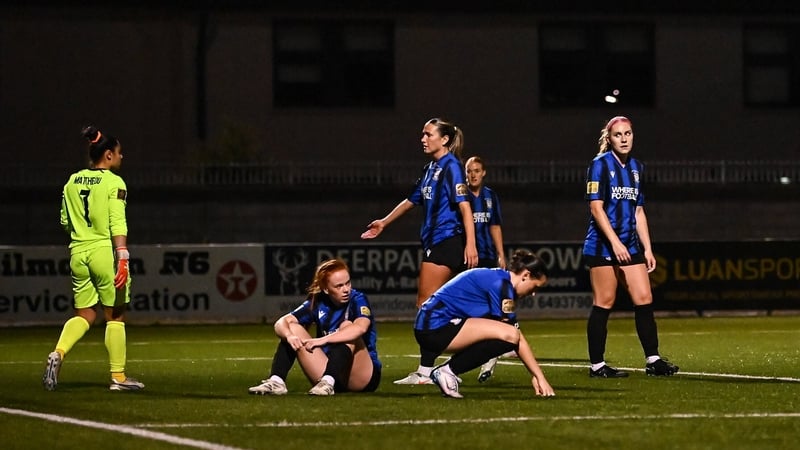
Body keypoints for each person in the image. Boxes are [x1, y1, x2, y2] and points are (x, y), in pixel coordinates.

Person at [361, 117, 478, 385]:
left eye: (428, 134)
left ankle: (427, 371)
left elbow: (464, 207)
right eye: (422, 134)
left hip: (445, 242)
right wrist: (384, 223)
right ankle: (488, 335)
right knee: (441, 306)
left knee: (425, 305)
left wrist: (470, 244)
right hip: (434, 243)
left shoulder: (452, 167)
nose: (422, 139)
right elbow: (411, 200)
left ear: (444, 139)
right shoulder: (430, 168)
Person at [43, 125, 144, 392]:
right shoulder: (114, 182)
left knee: (85, 314)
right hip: (103, 253)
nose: (122, 157)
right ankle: (119, 377)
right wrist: (122, 257)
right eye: (120, 153)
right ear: (108, 155)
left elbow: (65, 221)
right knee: (115, 315)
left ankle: (59, 353)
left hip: (78, 252)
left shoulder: (72, 181)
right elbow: (117, 222)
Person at [583, 116, 679, 378]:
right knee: (605, 302)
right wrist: (614, 242)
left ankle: (653, 360)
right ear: (609, 138)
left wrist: (647, 248)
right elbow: (596, 207)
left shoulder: (637, 167)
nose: (624, 139)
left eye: (628, 134)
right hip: (603, 246)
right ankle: (597, 366)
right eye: (618, 135)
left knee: (644, 298)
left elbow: (638, 211)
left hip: (630, 245)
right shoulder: (599, 165)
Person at [413, 249, 554, 399]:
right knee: (509, 335)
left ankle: (448, 371)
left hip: (431, 328)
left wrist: (536, 375)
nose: (533, 293)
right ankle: (447, 371)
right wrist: (539, 377)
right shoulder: (502, 285)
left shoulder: (500, 281)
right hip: (434, 329)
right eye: (536, 287)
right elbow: (514, 334)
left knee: (505, 336)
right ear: (526, 275)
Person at [248, 258, 382, 396]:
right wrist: (289, 336)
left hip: (362, 376)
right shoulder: (317, 302)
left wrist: (321, 340)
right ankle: (277, 381)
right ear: (325, 289)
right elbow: (280, 323)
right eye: (339, 286)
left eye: (348, 283)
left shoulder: (358, 299)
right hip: (327, 370)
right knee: (292, 328)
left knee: (347, 326)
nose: (346, 289)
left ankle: (328, 382)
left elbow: (360, 328)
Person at [464, 155, 510, 383]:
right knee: (473, 307)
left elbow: (495, 226)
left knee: (492, 303)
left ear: (484, 173)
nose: (473, 174)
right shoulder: (460, 197)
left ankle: (492, 350)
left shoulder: (490, 197)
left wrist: (501, 254)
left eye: (477, 170)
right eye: (469, 170)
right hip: (467, 259)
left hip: (488, 257)